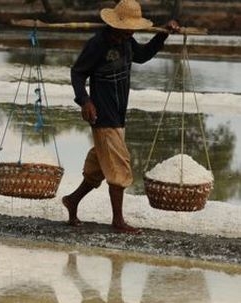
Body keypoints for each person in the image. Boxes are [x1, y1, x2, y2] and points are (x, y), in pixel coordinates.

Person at [63, 0, 180, 234]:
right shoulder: (98, 44)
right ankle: (118, 221)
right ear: (115, 24)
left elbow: (143, 55)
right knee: (119, 168)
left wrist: (163, 35)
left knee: (99, 168)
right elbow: (78, 73)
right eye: (127, 28)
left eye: (133, 29)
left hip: (118, 114)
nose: (131, 32)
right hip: (103, 116)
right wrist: (84, 101)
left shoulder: (127, 42)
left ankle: (72, 200)